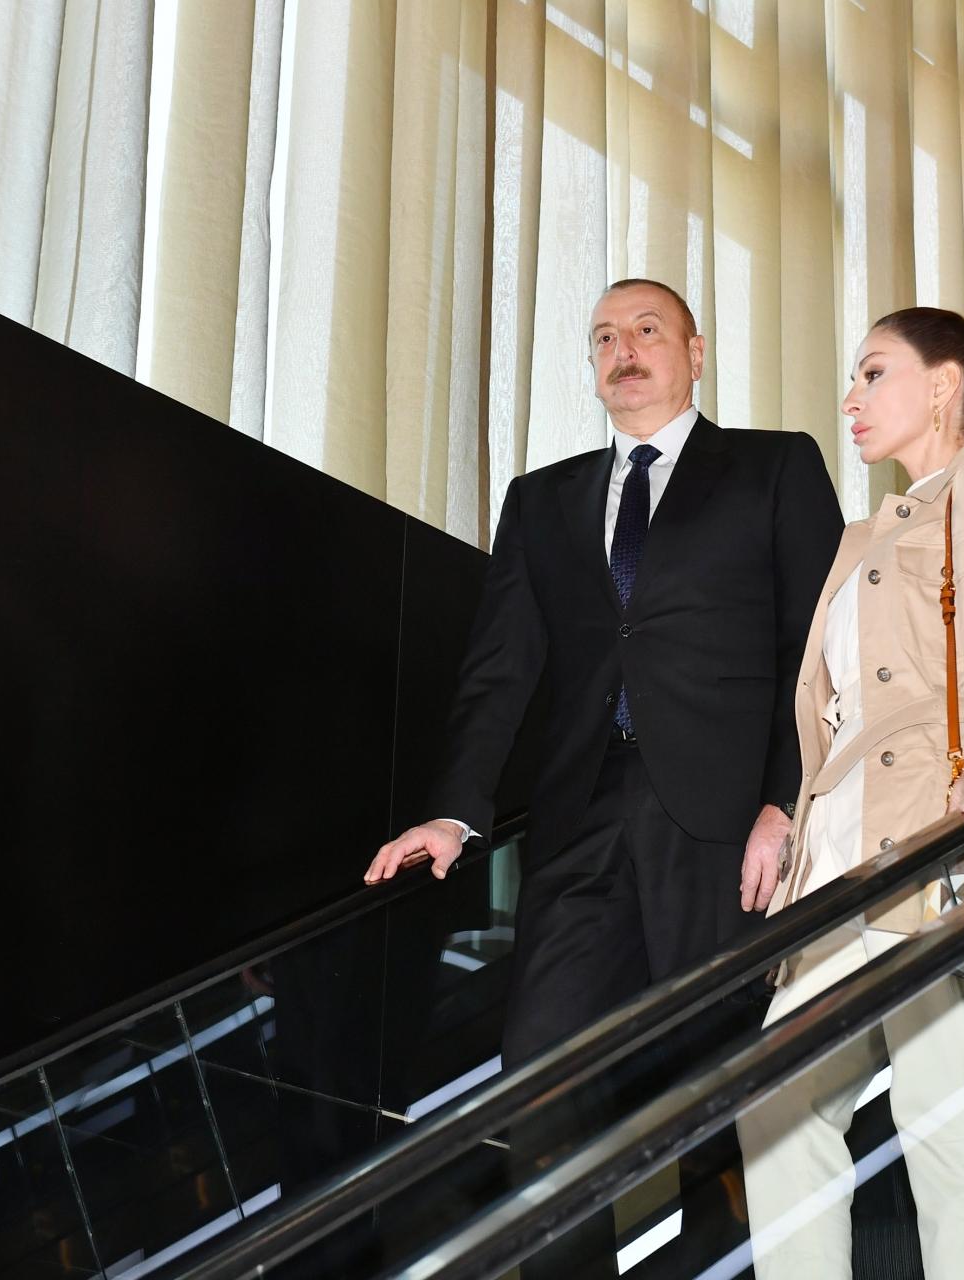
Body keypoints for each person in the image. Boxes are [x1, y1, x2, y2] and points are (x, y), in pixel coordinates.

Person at [364, 279, 843, 1274]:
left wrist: (783, 798)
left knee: (720, 1080)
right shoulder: (542, 500)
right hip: (579, 820)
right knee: (542, 1075)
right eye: (604, 337)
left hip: (725, 827)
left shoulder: (774, 467)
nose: (624, 349)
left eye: (647, 330)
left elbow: (816, 643)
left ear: (696, 353)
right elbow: (500, 669)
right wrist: (454, 812)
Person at [737, 308, 964, 1280]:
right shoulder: (864, 535)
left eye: (874, 373)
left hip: (931, 836)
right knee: (776, 1104)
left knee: (946, 1113)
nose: (850, 398)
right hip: (835, 860)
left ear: (942, 386)